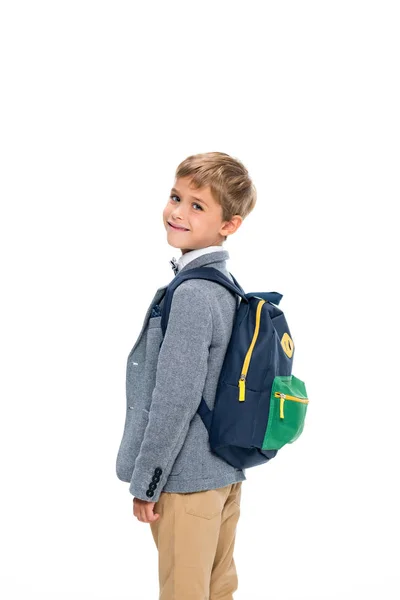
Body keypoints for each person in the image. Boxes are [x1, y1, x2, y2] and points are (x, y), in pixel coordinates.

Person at [116, 151, 258, 599]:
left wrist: (148, 481)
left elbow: (175, 397)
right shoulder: (224, 286)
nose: (178, 211)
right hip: (222, 473)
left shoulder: (195, 294)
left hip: (186, 482)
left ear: (228, 225)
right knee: (216, 590)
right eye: (176, 197)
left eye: (198, 205)